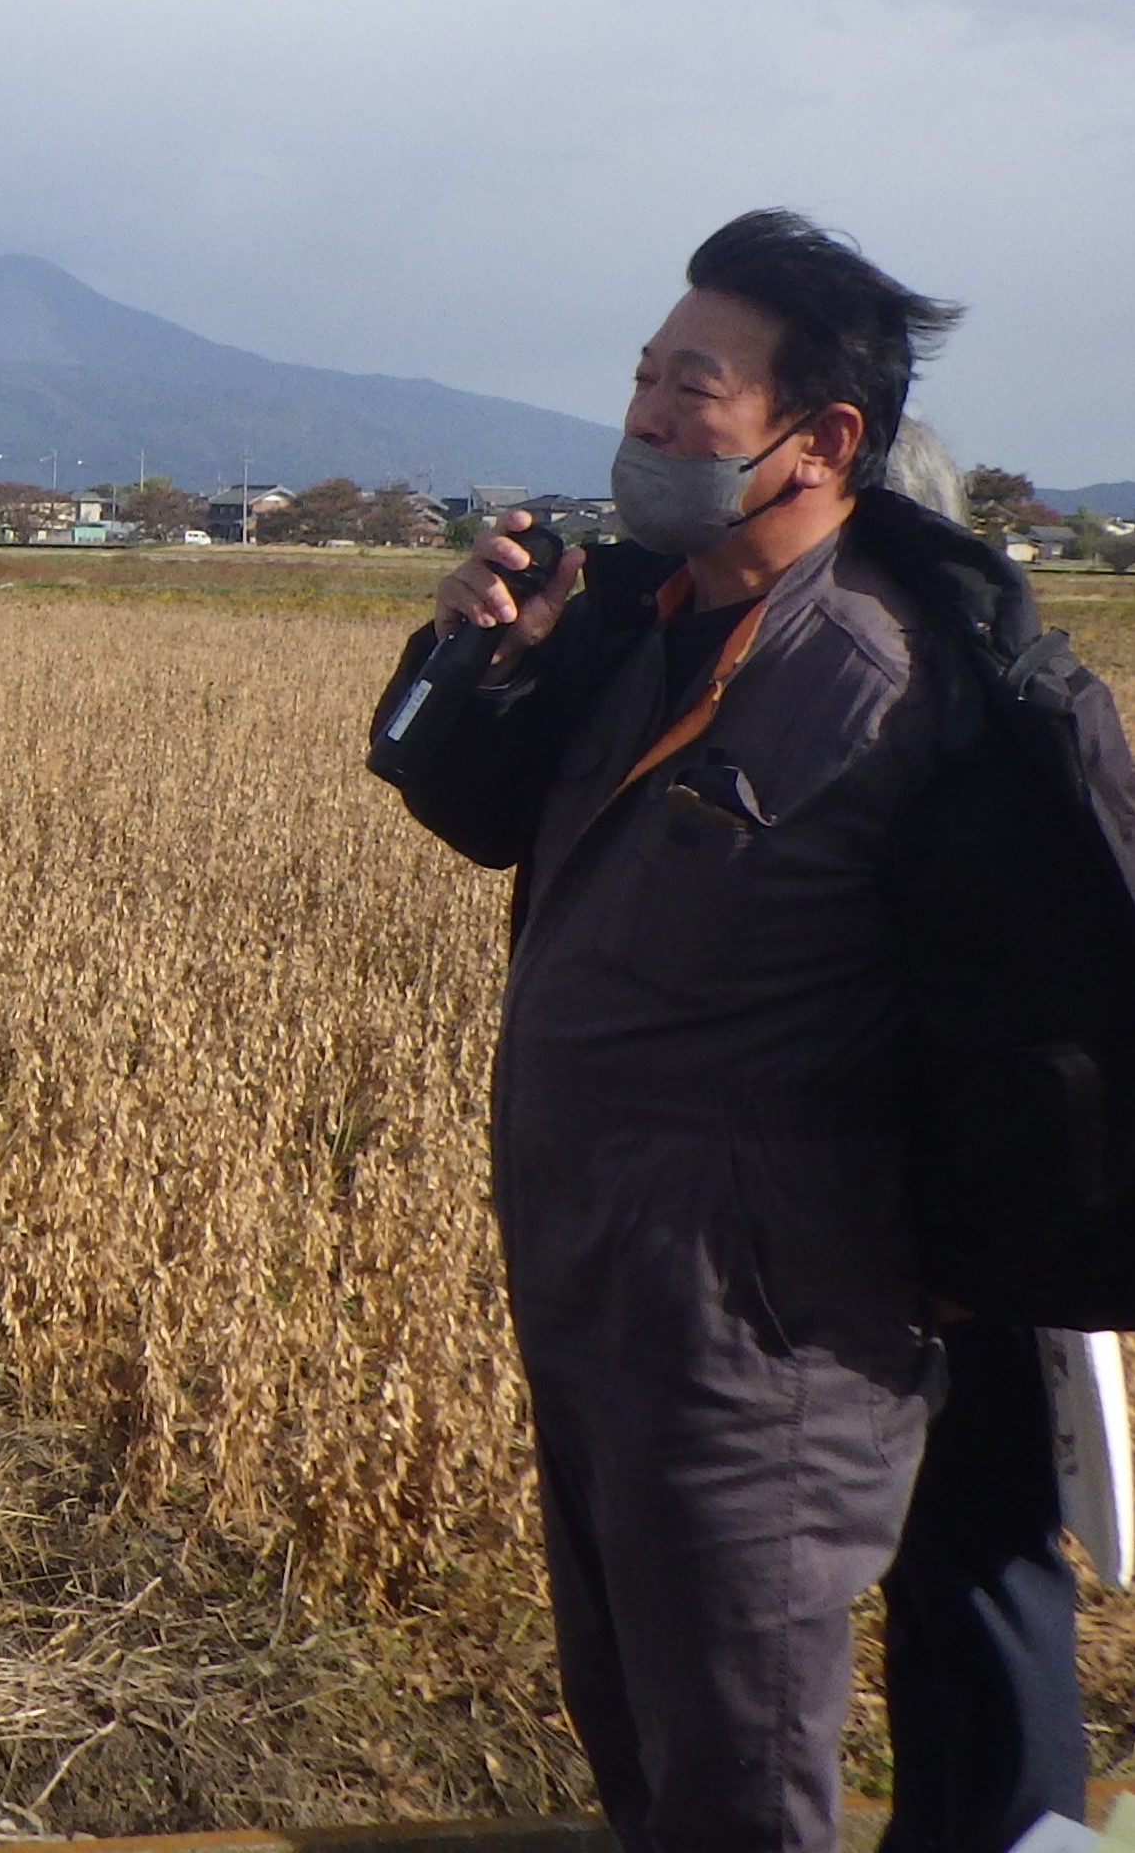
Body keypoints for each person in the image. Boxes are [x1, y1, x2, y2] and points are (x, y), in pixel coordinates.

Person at [373, 209, 1135, 1853]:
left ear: (823, 438)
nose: (644, 416)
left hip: (760, 1341)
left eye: (690, 390)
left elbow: (1054, 1013)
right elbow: (472, 805)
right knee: (643, 1743)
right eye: (642, 377)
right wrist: (477, 663)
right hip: (592, 1289)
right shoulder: (643, 626)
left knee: (737, 1775)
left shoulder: (898, 689)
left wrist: (967, 1264)